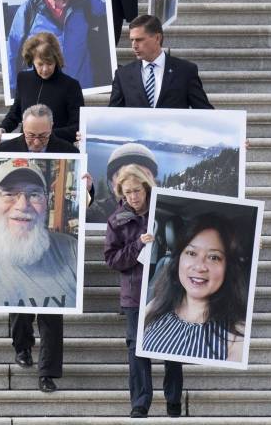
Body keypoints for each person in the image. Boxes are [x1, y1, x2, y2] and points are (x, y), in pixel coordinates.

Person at [0, 103, 80, 394]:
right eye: (31, 136)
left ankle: (48, 372)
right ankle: (22, 346)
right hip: (15, 234)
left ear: (52, 129)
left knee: (53, 309)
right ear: (23, 129)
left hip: (53, 237)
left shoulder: (68, 150)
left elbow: (81, 198)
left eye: (42, 136)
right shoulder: (6, 150)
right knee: (19, 299)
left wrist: (87, 188)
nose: (37, 142)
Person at [103, 160, 183, 418]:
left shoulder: (164, 213)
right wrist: (137, 244)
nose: (133, 196)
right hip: (134, 293)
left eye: (137, 190)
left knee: (172, 344)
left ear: (146, 188)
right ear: (121, 193)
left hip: (166, 289)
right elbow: (112, 260)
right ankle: (140, 404)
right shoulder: (116, 220)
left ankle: (173, 401)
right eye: (128, 192)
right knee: (137, 348)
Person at [0, 157, 79, 309]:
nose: (23, 206)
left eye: (34, 194)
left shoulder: (72, 249)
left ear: (46, 202)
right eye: (9, 193)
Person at [141, 213, 250, 364]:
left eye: (213, 257)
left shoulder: (238, 334)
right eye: (191, 253)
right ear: (179, 258)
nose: (199, 267)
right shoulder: (155, 306)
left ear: (228, 267)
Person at [5, 0, 110, 96]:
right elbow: (12, 50)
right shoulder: (28, 10)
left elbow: (111, 32)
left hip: (81, 89)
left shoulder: (91, 4)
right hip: (41, 90)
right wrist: (12, 89)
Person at [0, 34, 84, 146]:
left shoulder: (71, 85)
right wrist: (2, 128)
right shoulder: (23, 79)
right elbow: (15, 112)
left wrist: (45, 136)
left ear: (57, 60)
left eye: (50, 63)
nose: (45, 69)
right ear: (32, 60)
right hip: (26, 148)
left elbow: (77, 126)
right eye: (40, 64)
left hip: (58, 148)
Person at [109, 15, 212, 110]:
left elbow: (204, 111)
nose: (134, 45)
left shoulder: (185, 71)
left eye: (139, 40)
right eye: (132, 40)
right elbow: (113, 115)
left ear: (157, 38)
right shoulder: (122, 75)